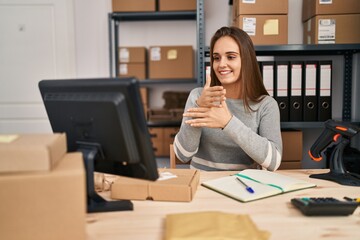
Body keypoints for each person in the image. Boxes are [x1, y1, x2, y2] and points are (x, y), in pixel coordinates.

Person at [173, 26, 282, 171]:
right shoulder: (198, 96)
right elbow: (183, 155)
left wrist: (228, 122)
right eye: (216, 58)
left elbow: (273, 162)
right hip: (202, 185)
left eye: (231, 57)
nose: (221, 64)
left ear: (246, 60)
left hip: (244, 187)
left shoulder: (266, 105)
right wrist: (200, 108)